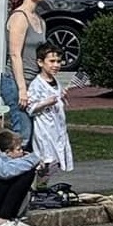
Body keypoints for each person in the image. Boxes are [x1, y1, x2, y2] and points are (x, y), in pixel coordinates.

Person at [4, 0, 48, 145]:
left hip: (34, 84)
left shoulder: (40, 21)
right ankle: (11, 169)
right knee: (22, 134)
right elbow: (15, 55)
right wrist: (22, 89)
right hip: (15, 83)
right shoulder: (19, 17)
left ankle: (29, 171)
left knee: (37, 136)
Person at [26, 44, 74, 187]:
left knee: (55, 161)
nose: (56, 65)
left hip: (57, 128)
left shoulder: (56, 82)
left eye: (58, 62)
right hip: (44, 129)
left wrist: (61, 97)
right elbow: (31, 108)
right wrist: (45, 103)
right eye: (51, 61)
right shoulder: (36, 84)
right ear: (40, 62)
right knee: (46, 160)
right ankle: (37, 187)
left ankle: (43, 187)